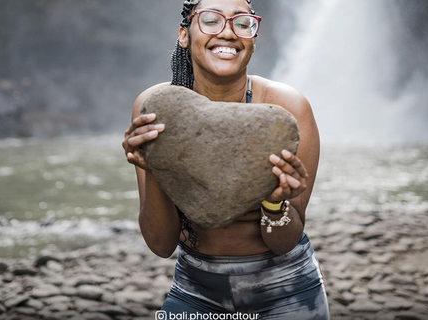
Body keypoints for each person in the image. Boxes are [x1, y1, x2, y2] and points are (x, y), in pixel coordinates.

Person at [122, 0, 329, 318]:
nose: (228, 32)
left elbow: (283, 242)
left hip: (286, 291)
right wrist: (155, 167)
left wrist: (275, 202)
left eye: (242, 23)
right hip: (195, 291)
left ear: (253, 38)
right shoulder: (157, 110)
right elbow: (161, 245)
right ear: (184, 34)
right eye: (210, 20)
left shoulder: (285, 110)